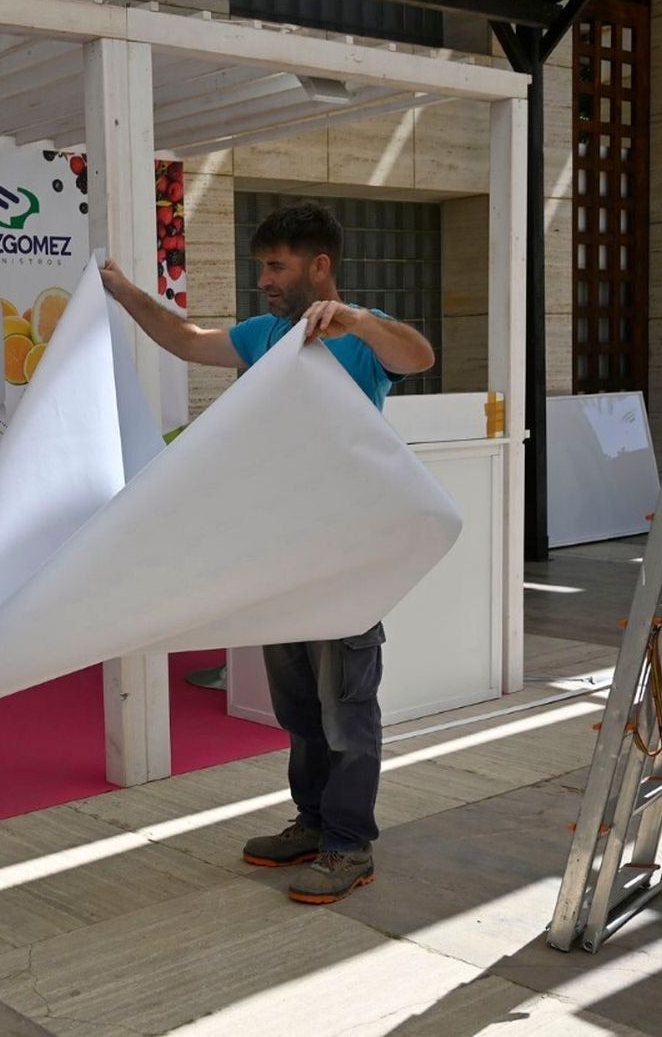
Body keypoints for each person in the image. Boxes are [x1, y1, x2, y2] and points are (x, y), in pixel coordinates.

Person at [100, 201, 434, 904]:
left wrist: (358, 321)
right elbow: (187, 340)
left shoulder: (359, 336)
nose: (265, 280)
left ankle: (349, 844)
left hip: (346, 562)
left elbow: (419, 356)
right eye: (262, 267)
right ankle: (312, 823)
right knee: (300, 709)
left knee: (347, 709)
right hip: (284, 556)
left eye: (277, 266)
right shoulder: (265, 335)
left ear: (320, 265)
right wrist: (124, 292)